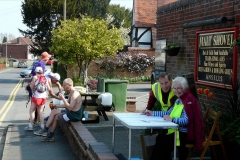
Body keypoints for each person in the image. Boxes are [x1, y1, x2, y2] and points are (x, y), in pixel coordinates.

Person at [145, 76, 204, 160]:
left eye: (179, 88)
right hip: (176, 131)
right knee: (160, 138)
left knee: (163, 141)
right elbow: (167, 113)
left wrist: (172, 120)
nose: (176, 91)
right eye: (174, 88)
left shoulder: (188, 100)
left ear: (184, 88)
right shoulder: (179, 100)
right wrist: (152, 113)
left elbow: (187, 120)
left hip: (184, 133)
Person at [34, 78, 83, 142]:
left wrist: (63, 99)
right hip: (70, 112)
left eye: (64, 85)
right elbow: (66, 105)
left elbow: (70, 107)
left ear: (70, 85)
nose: (63, 87)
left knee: (57, 117)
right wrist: (57, 106)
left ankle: (50, 136)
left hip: (74, 115)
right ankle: (45, 130)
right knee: (54, 111)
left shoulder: (74, 94)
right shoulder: (71, 93)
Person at [25, 67, 51, 131]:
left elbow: (32, 87)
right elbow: (49, 89)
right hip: (43, 97)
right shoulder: (46, 78)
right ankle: (42, 126)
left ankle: (30, 126)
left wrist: (30, 84)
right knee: (41, 111)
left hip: (36, 97)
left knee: (32, 110)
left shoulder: (35, 77)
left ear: (35, 71)